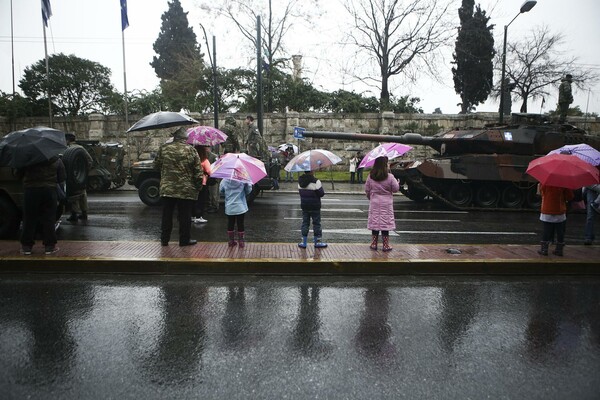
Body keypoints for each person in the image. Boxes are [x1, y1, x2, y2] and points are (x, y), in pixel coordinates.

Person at [154, 127, 203, 247]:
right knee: (184, 216)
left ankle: (164, 240)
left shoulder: (164, 148)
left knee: (167, 215)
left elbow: (156, 166)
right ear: (185, 138)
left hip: (167, 189)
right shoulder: (191, 150)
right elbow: (198, 172)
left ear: (175, 137)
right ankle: (184, 240)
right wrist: (198, 187)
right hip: (186, 189)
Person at [17, 156, 66, 255]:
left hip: (31, 190)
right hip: (49, 190)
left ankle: (26, 247)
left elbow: (18, 175)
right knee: (49, 219)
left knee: (29, 218)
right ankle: (49, 246)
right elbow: (62, 177)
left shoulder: (27, 158)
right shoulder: (56, 159)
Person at [365, 156, 400, 252]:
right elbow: (395, 189)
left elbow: (367, 190)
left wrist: (371, 198)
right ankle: (385, 245)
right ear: (385, 165)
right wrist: (397, 182)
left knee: (375, 223)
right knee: (385, 224)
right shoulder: (390, 177)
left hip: (374, 202)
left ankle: (374, 244)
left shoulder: (370, 176)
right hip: (386, 203)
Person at [537, 183, 574, 256]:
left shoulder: (545, 183)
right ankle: (559, 250)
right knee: (560, 231)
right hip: (559, 210)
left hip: (547, 209)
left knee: (546, 230)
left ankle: (544, 249)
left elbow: (541, 192)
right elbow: (570, 196)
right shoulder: (564, 183)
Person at [65, 133, 93, 222]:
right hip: (82, 176)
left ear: (67, 140)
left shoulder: (68, 150)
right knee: (83, 194)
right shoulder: (80, 148)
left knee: (73, 195)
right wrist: (84, 171)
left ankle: (74, 214)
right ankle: (84, 213)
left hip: (72, 176)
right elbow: (90, 161)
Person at [297, 170, 327, 248]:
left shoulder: (300, 182)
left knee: (305, 223)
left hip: (304, 205)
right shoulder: (316, 181)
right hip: (315, 206)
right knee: (316, 223)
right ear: (312, 172)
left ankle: (303, 242)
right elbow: (321, 193)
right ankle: (318, 242)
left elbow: (301, 193)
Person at [220, 178, 253, 248]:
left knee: (230, 223)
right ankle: (241, 241)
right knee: (240, 223)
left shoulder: (225, 180)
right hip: (240, 206)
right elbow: (248, 191)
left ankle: (231, 241)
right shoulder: (243, 179)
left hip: (229, 206)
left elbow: (221, 191)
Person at [193, 145, 212, 224]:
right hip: (202, 182)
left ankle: (193, 216)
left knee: (194, 200)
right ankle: (199, 216)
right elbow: (209, 171)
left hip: (193, 182)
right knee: (201, 200)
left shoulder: (193, 160)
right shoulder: (205, 160)